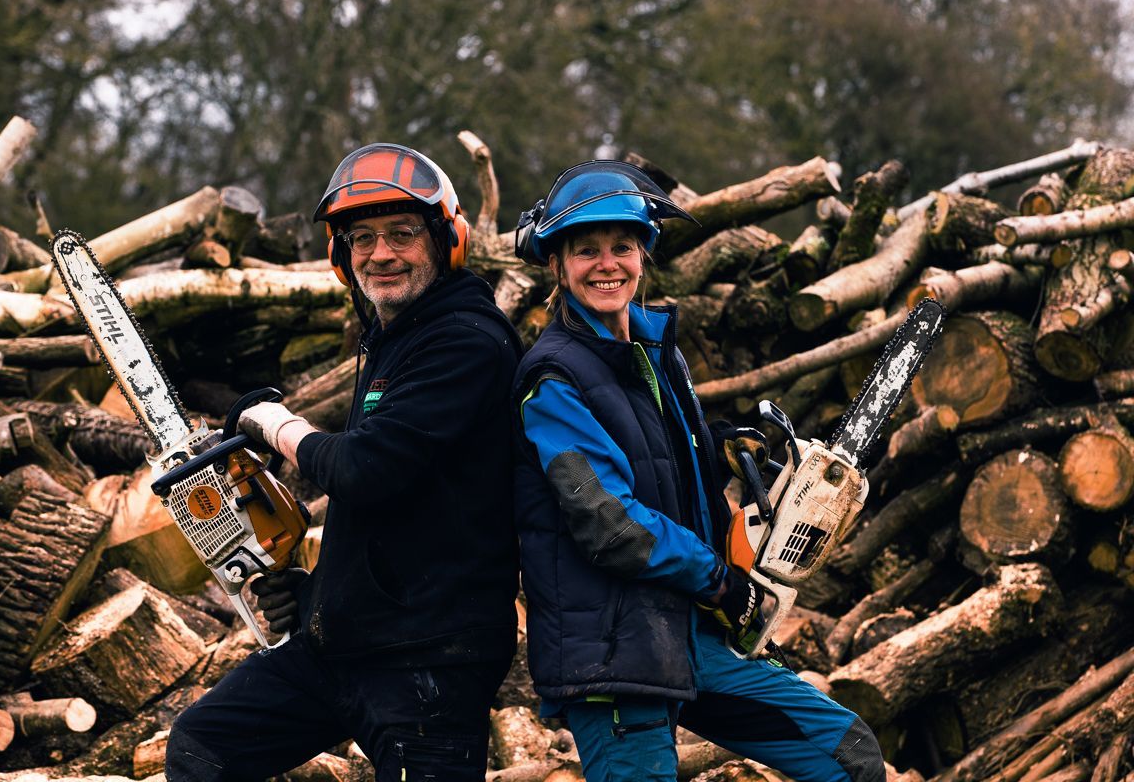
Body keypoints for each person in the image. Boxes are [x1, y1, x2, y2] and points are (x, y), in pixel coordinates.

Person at [510, 161, 886, 782]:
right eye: (586, 250)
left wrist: (713, 445)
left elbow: (650, 449)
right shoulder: (553, 378)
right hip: (615, 653)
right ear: (557, 263)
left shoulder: (655, 351)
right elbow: (611, 522)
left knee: (846, 753)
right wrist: (719, 581)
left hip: (685, 632)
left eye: (622, 247)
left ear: (644, 253)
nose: (607, 264)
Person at [166, 143, 523, 781]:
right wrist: (312, 597)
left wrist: (275, 425)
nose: (380, 253)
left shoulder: (468, 342)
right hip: (346, 649)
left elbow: (367, 469)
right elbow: (393, 508)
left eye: (402, 234)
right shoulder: (393, 339)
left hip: (431, 662)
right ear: (340, 254)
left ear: (447, 240)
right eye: (362, 238)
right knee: (203, 747)